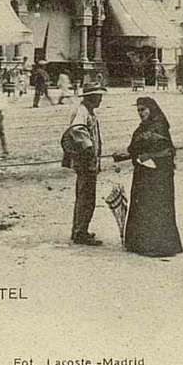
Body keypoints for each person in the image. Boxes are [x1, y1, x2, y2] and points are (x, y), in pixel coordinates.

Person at [113, 97, 183, 257]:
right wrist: (124, 155)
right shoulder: (142, 128)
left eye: (143, 109)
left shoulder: (159, 127)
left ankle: (158, 246)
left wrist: (145, 157)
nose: (140, 113)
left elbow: (168, 152)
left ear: (151, 109)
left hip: (158, 176)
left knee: (155, 208)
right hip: (143, 175)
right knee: (142, 206)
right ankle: (140, 243)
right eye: (138, 110)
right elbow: (135, 149)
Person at [62, 83, 105, 245]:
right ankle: (81, 233)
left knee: (83, 196)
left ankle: (79, 230)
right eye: (98, 96)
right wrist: (88, 148)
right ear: (90, 97)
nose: (100, 99)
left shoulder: (87, 111)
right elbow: (77, 130)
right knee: (87, 197)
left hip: (87, 161)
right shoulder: (82, 111)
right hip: (86, 162)